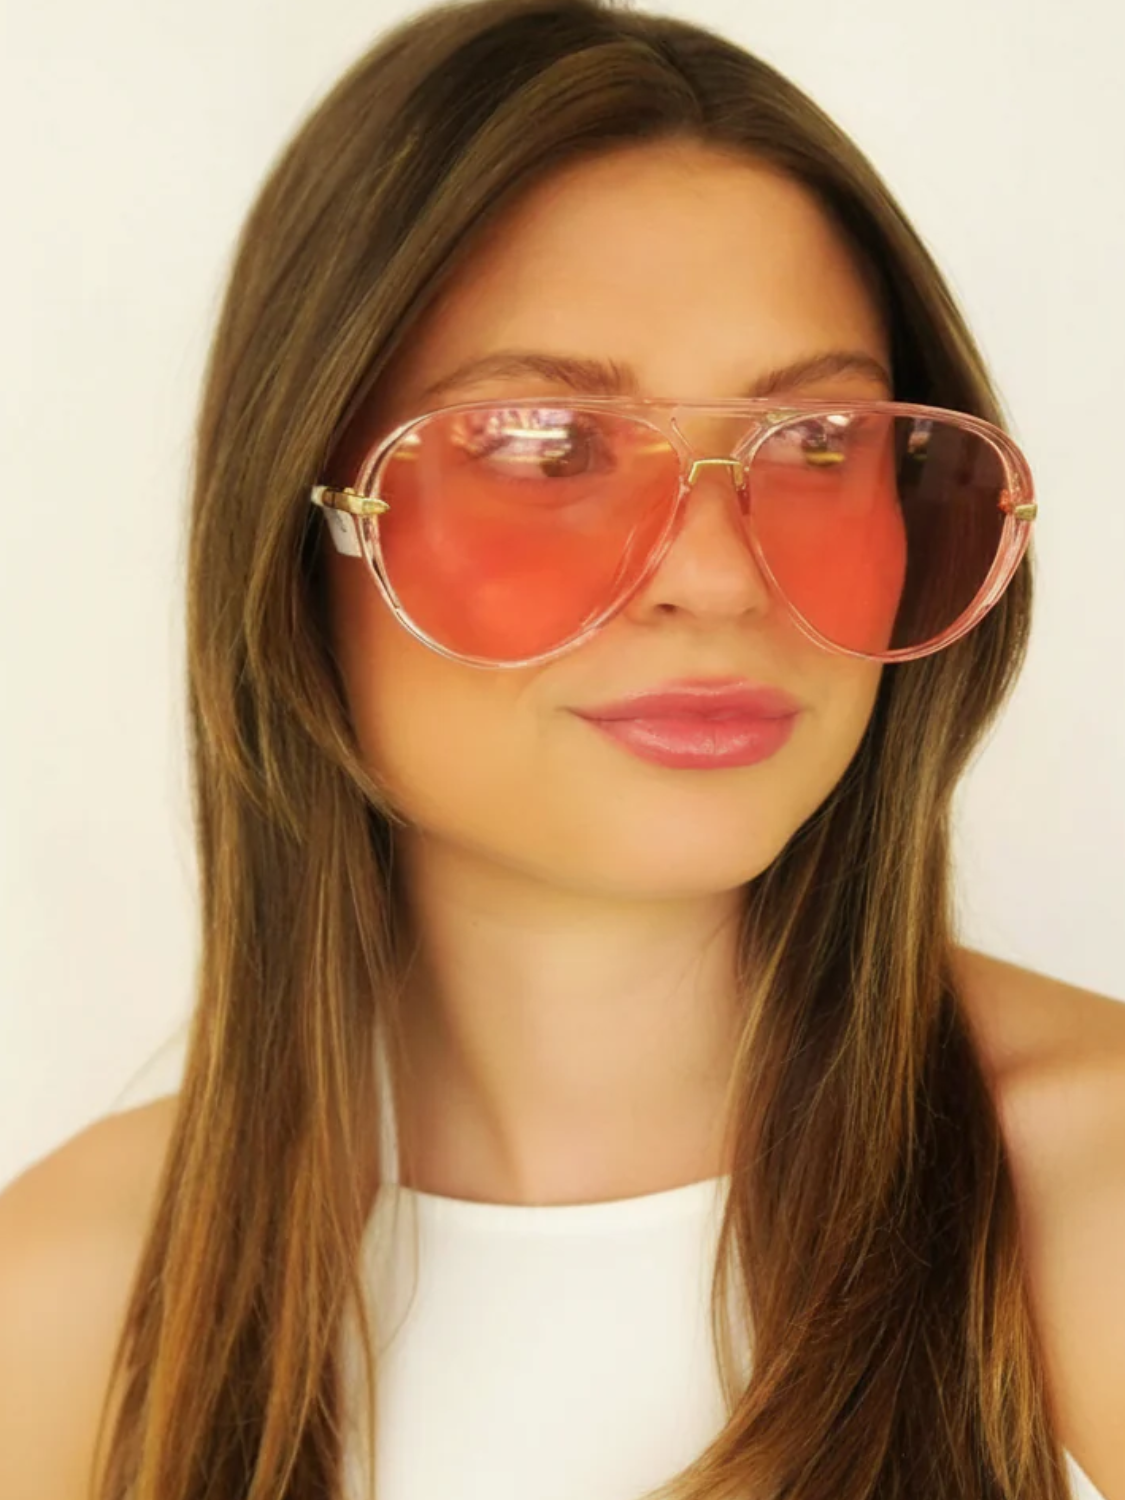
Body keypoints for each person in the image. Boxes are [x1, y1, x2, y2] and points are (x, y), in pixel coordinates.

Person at [0, 1, 1122, 1497]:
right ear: (303, 532)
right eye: (541, 444)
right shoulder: (69, 1306)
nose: (716, 575)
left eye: (817, 443)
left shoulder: (1092, 1192)